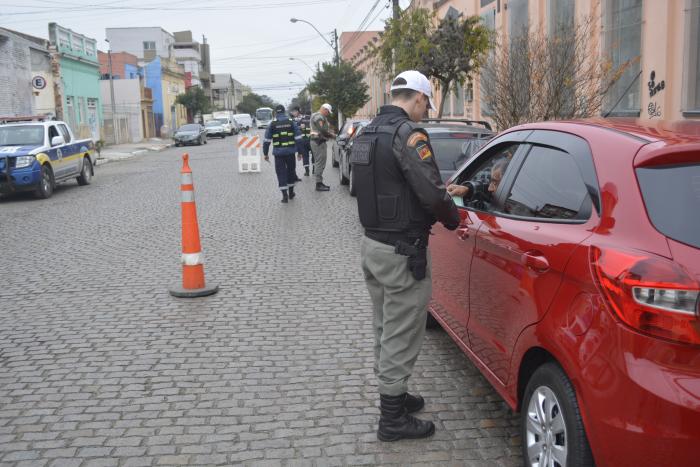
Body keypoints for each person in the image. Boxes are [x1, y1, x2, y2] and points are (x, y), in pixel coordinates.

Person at [352, 70, 460, 442]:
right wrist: (454, 216)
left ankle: (396, 394)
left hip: (374, 247)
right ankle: (392, 420)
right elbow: (431, 193)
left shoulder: (366, 134)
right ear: (416, 98)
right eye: (426, 104)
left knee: (385, 326)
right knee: (401, 331)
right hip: (403, 252)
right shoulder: (408, 135)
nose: (426, 111)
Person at [263, 104, 304, 203]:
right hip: (290, 152)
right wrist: (300, 152)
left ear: (275, 112)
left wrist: (265, 154)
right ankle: (291, 193)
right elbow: (298, 138)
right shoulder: (291, 123)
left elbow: (267, 141)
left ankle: (284, 196)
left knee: (281, 173)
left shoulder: (272, 124)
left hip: (278, 154)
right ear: (284, 111)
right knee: (291, 171)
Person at [309, 103, 336, 191]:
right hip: (318, 142)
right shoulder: (319, 117)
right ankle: (318, 184)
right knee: (320, 162)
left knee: (320, 162)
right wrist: (331, 135)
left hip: (318, 141)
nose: (328, 114)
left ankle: (319, 182)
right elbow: (322, 129)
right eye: (328, 112)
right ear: (324, 109)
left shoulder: (317, 116)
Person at [290, 106, 313, 177]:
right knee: (314, 154)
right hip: (312, 140)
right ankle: (314, 170)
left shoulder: (301, 120)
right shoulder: (313, 120)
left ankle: (307, 171)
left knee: (305, 156)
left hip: (303, 140)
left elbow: (296, 128)